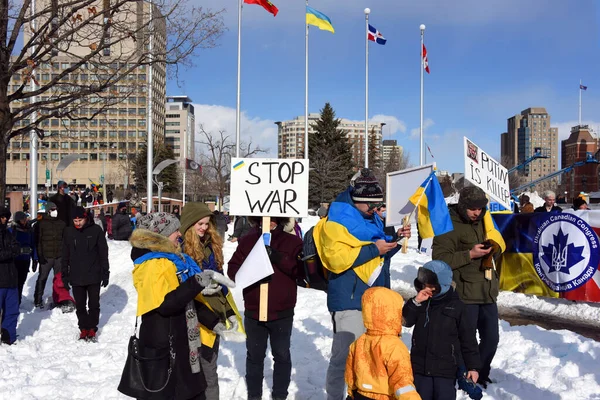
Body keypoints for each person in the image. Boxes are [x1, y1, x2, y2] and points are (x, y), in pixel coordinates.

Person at [313, 168, 411, 400]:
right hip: (350, 300)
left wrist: (394, 241)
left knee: (371, 359)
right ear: (358, 200)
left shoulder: (370, 217)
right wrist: (374, 248)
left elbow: (377, 258)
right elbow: (336, 260)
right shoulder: (336, 222)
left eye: (377, 204)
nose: (375, 209)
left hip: (374, 302)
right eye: (370, 205)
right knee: (344, 357)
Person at [129, 212, 235, 400]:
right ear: (160, 234)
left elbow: (186, 300)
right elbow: (166, 304)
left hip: (179, 343)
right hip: (163, 348)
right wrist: (197, 281)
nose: (179, 234)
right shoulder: (152, 264)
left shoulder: (173, 260)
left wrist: (214, 323)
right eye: (175, 230)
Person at [432, 186, 503, 390]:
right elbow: (439, 259)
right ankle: (465, 376)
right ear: (463, 206)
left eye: (480, 208)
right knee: (466, 341)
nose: (477, 212)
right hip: (464, 293)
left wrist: (494, 250)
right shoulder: (448, 224)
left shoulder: (486, 221)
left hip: (487, 291)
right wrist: (469, 254)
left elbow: (496, 243)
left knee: (491, 339)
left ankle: (480, 373)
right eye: (472, 208)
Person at [227, 216, 304, 400]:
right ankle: (254, 396)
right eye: (263, 219)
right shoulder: (248, 240)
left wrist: (278, 257)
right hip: (254, 310)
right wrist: (252, 265)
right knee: (254, 356)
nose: (267, 222)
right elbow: (233, 270)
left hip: (281, 311)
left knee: (282, 355)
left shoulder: (292, 241)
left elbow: (300, 272)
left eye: (272, 219)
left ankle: (279, 395)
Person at [180, 202, 242, 400]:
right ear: (189, 223)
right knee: (188, 377)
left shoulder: (212, 245)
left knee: (209, 373)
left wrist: (229, 313)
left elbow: (220, 281)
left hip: (213, 318)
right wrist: (197, 286)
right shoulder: (179, 249)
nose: (204, 228)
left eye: (207, 224)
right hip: (190, 318)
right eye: (200, 223)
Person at [403, 260, 481, 400]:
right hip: (420, 368)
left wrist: (473, 367)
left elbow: (468, 339)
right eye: (423, 283)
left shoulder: (458, 307)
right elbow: (406, 321)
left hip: (445, 370)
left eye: (430, 284)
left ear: (442, 283)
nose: (426, 287)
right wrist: (415, 302)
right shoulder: (421, 301)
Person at [345, 287, 420, 400]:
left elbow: (350, 374)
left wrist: (352, 393)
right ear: (393, 312)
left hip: (361, 394)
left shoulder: (359, 341)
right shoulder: (394, 346)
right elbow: (402, 382)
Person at [62, 207, 110, 341]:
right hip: (76, 275)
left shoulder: (96, 231)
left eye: (80, 220)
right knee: (80, 305)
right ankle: (83, 328)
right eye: (75, 220)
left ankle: (92, 328)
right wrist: (64, 275)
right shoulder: (68, 232)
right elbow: (65, 255)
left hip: (93, 274)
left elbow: (103, 253)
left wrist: (105, 272)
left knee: (94, 304)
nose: (77, 223)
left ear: (86, 218)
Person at [33, 201, 66, 309]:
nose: (55, 211)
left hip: (59, 256)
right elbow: (37, 241)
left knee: (59, 280)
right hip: (46, 257)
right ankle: (37, 300)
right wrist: (39, 256)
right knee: (42, 278)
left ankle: (59, 299)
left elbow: (65, 240)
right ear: (48, 211)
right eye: (52, 209)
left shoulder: (62, 223)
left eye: (55, 209)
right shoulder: (41, 224)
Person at [0, 206, 20, 345]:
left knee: (12, 311)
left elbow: (17, 248)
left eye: (6, 217)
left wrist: (13, 251)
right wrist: (10, 252)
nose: (5, 219)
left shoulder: (9, 233)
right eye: (2, 217)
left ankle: (9, 337)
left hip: (11, 279)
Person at [10, 211, 35, 304]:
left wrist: (35, 258)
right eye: (22, 220)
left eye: (25, 219)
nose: (25, 221)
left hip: (25, 260)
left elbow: (33, 245)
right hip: (15, 260)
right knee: (14, 283)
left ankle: (18, 301)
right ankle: (14, 302)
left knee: (21, 282)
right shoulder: (12, 231)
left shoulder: (29, 230)